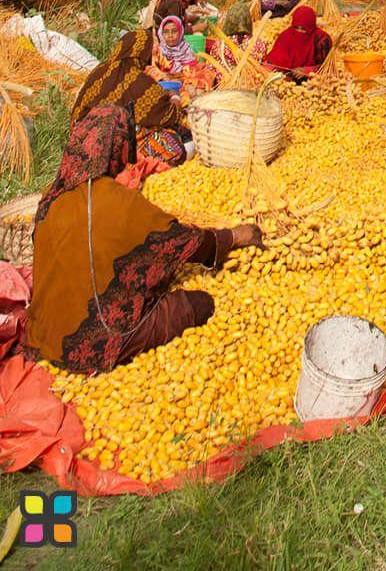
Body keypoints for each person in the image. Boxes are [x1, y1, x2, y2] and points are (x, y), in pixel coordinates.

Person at [26, 106, 261, 374]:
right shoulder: (116, 201)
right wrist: (233, 236)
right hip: (92, 342)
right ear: (115, 149)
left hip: (43, 332)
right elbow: (181, 241)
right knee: (196, 305)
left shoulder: (50, 199)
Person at [70, 1, 188, 141]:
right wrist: (174, 96)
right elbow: (170, 114)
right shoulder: (138, 81)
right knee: (172, 144)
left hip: (77, 136)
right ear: (144, 53)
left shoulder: (100, 70)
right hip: (102, 145)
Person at [263, 4, 332, 78]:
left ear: (311, 26)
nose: (300, 31)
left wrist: (307, 70)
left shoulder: (322, 40)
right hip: (284, 80)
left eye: (304, 29)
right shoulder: (286, 36)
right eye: (297, 27)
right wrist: (268, 69)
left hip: (312, 82)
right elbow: (273, 59)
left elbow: (327, 68)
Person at [150, 15, 195, 79]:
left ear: (180, 32)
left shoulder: (187, 52)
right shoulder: (158, 51)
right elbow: (152, 70)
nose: (170, 35)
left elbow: (190, 74)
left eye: (174, 31)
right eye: (166, 32)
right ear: (161, 34)